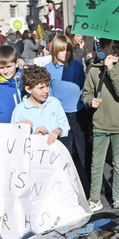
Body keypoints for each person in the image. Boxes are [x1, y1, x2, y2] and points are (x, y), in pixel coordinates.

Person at [82, 39, 119, 210]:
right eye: (112, 47)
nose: (116, 51)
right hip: (100, 123)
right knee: (97, 164)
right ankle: (94, 199)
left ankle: (118, 199)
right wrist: (91, 101)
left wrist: (111, 70)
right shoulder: (94, 70)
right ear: (103, 48)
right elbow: (86, 93)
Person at [45, 35, 89, 189]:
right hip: (60, 114)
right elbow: (48, 92)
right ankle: (68, 184)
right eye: (61, 50)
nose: (65, 53)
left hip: (78, 111)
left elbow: (84, 85)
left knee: (83, 149)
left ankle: (89, 182)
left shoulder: (76, 65)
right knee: (65, 150)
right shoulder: (48, 68)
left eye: (68, 50)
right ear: (55, 51)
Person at [12, 66, 69, 145]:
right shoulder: (20, 109)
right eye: (41, 88)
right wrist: (33, 135)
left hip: (54, 151)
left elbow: (65, 125)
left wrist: (57, 130)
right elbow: (15, 136)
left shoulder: (54, 103)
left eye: (47, 86)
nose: (46, 90)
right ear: (28, 89)